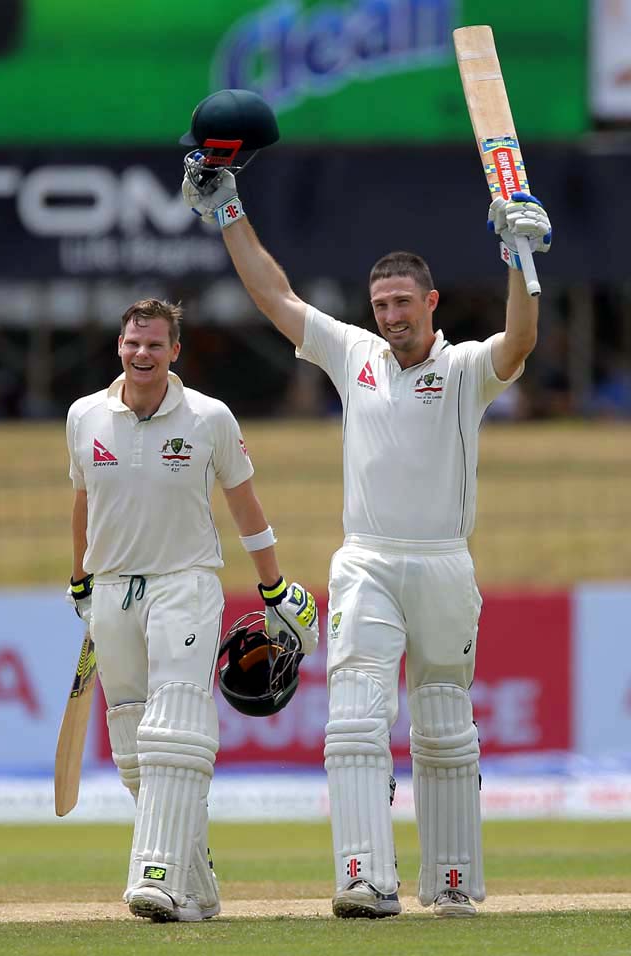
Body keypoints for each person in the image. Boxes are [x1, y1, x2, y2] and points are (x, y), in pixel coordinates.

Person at [181, 158, 552, 919]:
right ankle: (363, 876)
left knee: (446, 724)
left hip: (445, 565)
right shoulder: (355, 355)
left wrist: (523, 260)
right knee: (354, 716)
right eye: (381, 303)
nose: (391, 315)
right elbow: (273, 295)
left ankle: (451, 881)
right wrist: (227, 210)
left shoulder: (464, 368)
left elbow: (519, 343)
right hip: (367, 564)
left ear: (431, 302)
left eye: (403, 302)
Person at [65, 298, 319, 922]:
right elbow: (82, 503)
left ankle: (156, 877)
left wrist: (274, 586)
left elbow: (244, 505)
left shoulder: (209, 417)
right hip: (113, 585)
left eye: (154, 344)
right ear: (118, 347)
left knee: (173, 724)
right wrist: (80, 581)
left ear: (175, 351)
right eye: (132, 343)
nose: (141, 354)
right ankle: (197, 880)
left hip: (186, 582)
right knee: (130, 745)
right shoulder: (84, 416)